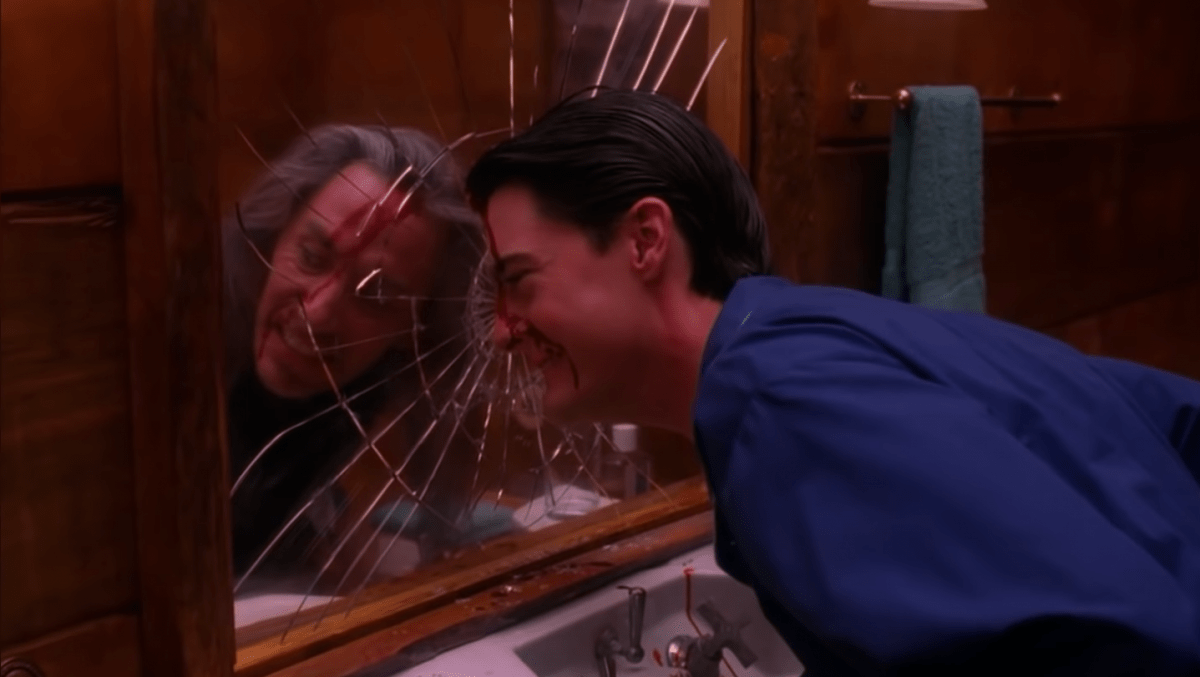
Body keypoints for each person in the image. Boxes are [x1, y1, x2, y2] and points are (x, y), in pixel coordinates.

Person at [466, 89, 1200, 676]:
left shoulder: (778, 402)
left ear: (645, 240)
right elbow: (1174, 416)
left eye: (518, 279)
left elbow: (1104, 644)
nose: (500, 330)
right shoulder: (812, 328)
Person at [223, 124, 484, 586]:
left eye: (376, 295)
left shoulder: (380, 399)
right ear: (272, 238)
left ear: (416, 329)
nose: (318, 313)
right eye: (312, 256)